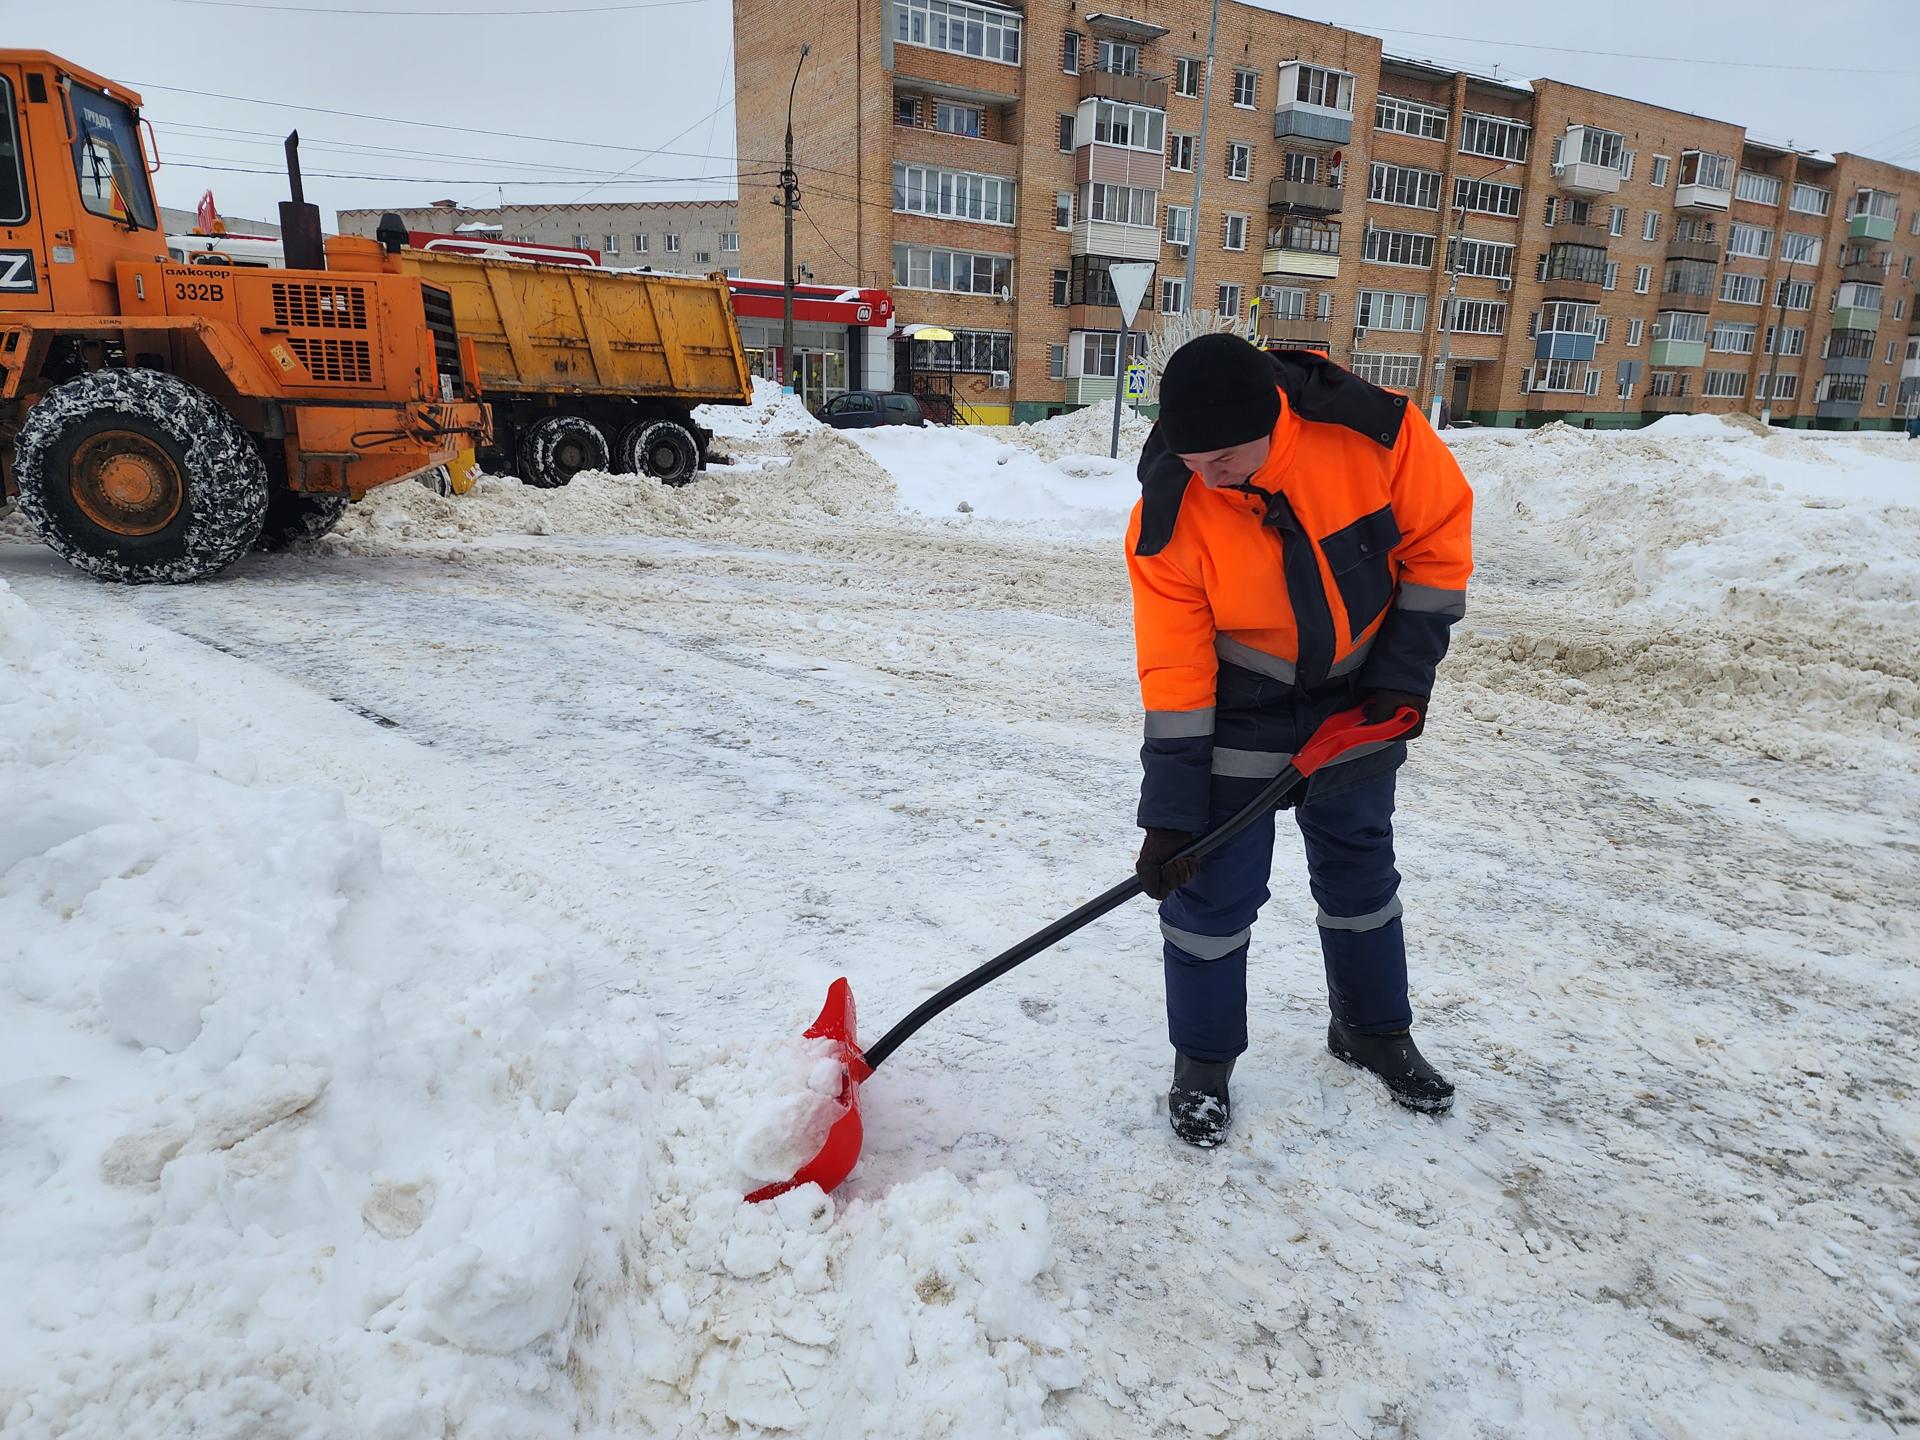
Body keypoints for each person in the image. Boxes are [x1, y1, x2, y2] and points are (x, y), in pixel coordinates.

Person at [1126, 334, 1473, 1146]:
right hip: (1241, 701)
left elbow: (1438, 545)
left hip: (1361, 685)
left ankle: (1373, 1029)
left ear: (1273, 419)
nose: (1207, 475)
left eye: (1225, 456)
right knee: (1208, 895)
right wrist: (1170, 814)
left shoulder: (1376, 435)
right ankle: (1203, 1065)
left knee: (1360, 870)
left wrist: (1401, 680)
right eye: (1191, 456)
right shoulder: (1170, 510)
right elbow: (1174, 671)